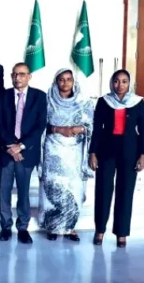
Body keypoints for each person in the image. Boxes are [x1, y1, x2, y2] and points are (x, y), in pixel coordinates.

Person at [90, 69, 144, 248]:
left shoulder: (137, 102)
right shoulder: (104, 102)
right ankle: (100, 230)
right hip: (106, 152)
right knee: (103, 191)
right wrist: (93, 153)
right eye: (116, 81)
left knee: (125, 192)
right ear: (111, 83)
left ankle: (121, 233)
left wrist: (143, 154)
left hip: (130, 153)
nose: (120, 85)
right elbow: (97, 129)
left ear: (129, 84)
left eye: (124, 81)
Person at [38, 68, 94, 242]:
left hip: (74, 152)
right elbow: (39, 125)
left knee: (73, 188)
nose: (65, 82)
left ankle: (70, 227)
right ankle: (52, 226)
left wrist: (80, 129)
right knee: (53, 185)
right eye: (61, 79)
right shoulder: (47, 101)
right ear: (56, 81)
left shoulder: (84, 102)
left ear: (73, 81)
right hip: (53, 151)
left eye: (69, 79)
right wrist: (58, 129)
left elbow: (92, 125)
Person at [0, 63, 46, 244]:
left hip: (27, 153)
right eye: (15, 74)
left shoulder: (39, 97)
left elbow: (40, 125)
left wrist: (21, 146)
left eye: (22, 74)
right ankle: (5, 227)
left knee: (23, 192)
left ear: (29, 76)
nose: (17, 78)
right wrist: (11, 147)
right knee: (5, 192)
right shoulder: (3, 96)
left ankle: (23, 228)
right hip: (6, 152)